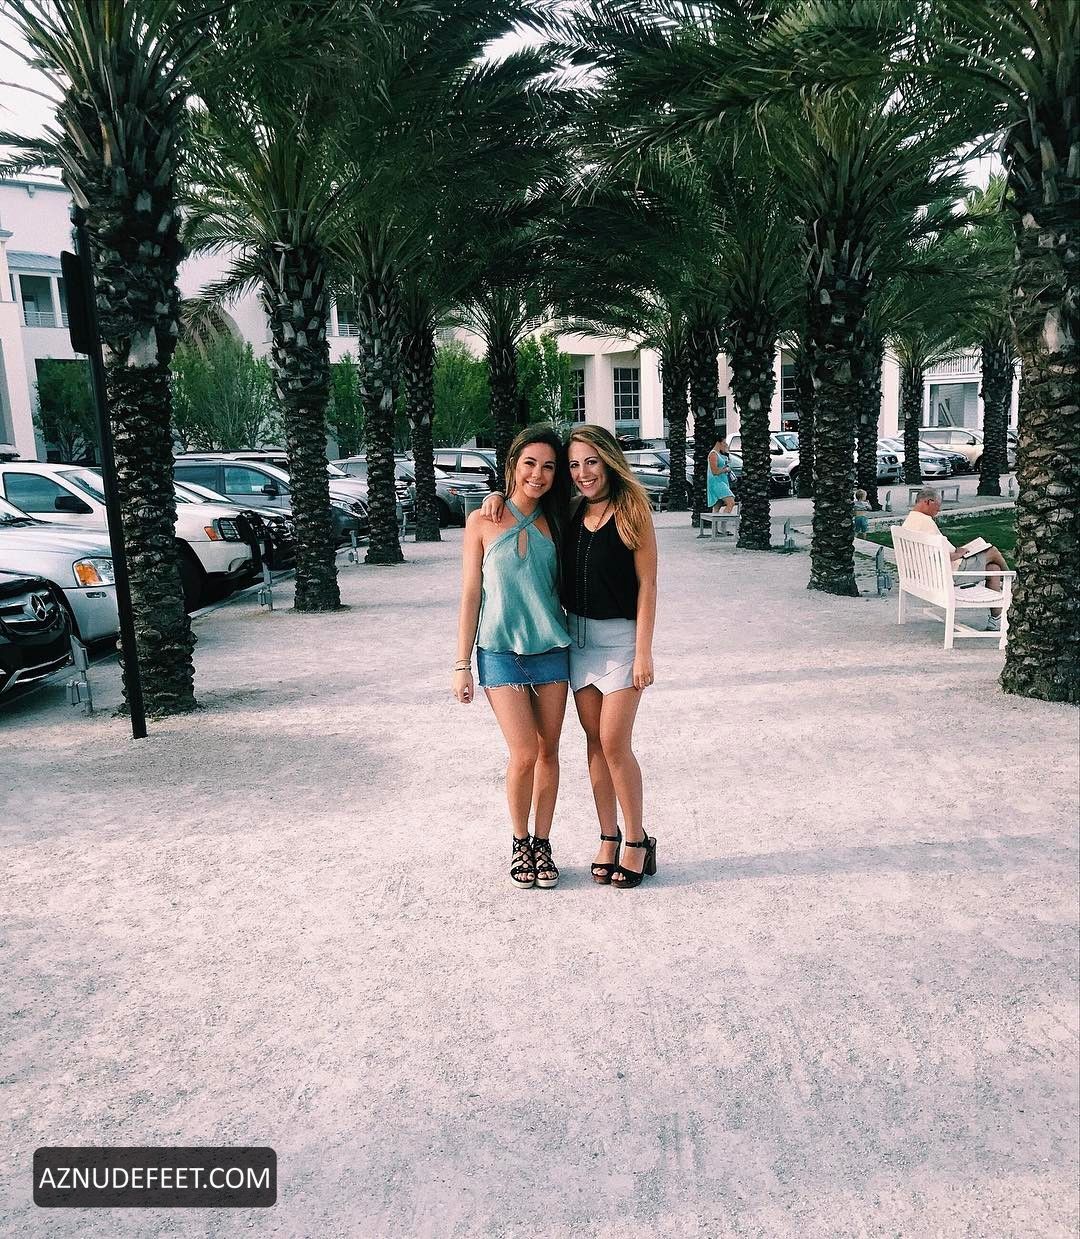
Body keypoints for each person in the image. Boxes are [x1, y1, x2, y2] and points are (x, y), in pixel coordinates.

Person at [481, 425, 660, 890]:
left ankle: (637, 840)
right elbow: (524, 500)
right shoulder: (569, 511)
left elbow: (647, 585)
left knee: (614, 742)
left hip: (621, 644)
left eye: (591, 462)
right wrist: (496, 496)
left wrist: (644, 651)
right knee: (594, 744)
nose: (583, 473)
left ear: (609, 461)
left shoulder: (633, 511)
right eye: (575, 464)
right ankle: (608, 837)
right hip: (576, 643)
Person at [452, 426, 572, 890]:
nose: (537, 474)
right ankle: (520, 841)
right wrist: (461, 664)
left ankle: (543, 843)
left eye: (548, 467)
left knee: (549, 752)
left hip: (552, 650)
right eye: (529, 464)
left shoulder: (560, 519)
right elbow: (470, 594)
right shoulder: (481, 521)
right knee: (524, 753)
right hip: (499, 652)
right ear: (512, 465)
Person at [902, 487, 1009, 630]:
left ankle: (996, 620)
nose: (938, 510)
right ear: (928, 502)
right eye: (938, 506)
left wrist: (958, 551)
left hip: (929, 576)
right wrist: (958, 554)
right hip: (948, 574)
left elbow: (932, 553)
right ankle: (1012, 580)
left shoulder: (911, 520)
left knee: (993, 568)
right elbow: (940, 555)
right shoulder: (925, 522)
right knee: (992, 551)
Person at [707, 436, 736, 526]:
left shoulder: (720, 454)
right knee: (731, 502)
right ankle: (722, 527)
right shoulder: (713, 454)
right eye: (723, 442)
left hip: (721, 481)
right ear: (718, 443)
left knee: (717, 505)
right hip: (717, 482)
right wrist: (726, 470)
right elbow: (715, 471)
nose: (725, 444)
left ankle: (716, 529)